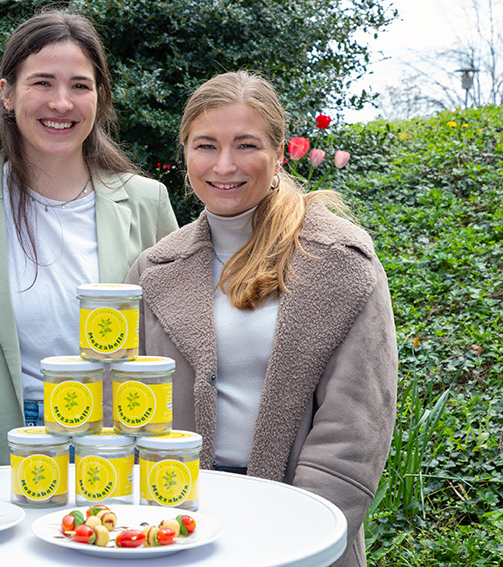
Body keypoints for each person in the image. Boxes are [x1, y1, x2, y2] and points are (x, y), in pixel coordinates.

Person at [125, 71, 397, 567]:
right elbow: (128, 406)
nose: (224, 165)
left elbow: (356, 426)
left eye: (245, 145)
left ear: (277, 153)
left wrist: (298, 534)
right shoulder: (153, 270)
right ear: (185, 154)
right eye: (206, 145)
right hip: (175, 526)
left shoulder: (339, 259)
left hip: (298, 525)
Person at [0, 9, 178, 464]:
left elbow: (183, 329)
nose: (62, 102)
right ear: (8, 95)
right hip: (14, 443)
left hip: (121, 442)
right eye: (42, 83)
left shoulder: (146, 203)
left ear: (99, 98)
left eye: (80, 85)